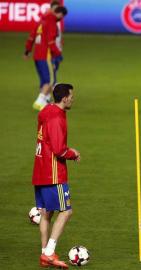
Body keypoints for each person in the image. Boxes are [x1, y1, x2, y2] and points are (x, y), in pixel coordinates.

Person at [32, 83, 80, 268]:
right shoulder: (56, 118)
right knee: (66, 211)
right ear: (65, 98)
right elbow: (59, 149)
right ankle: (50, 252)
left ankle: (44, 255)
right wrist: (73, 153)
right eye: (71, 96)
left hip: (40, 169)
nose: (73, 98)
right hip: (53, 173)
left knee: (46, 213)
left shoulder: (46, 110)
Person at [24, 6, 68, 111]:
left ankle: (44, 103)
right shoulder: (51, 23)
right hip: (46, 56)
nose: (61, 18)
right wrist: (58, 54)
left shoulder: (41, 22)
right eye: (62, 16)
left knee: (44, 81)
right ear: (58, 13)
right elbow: (51, 42)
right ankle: (39, 101)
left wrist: (27, 51)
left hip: (37, 56)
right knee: (50, 81)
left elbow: (31, 37)